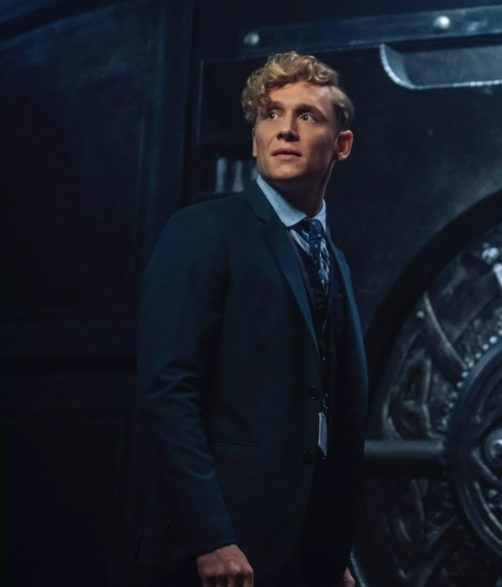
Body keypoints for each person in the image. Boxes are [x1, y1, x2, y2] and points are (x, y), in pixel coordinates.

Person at [134, 51, 367, 587]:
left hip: (304, 553)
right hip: (218, 552)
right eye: (270, 114)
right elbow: (168, 391)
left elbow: (330, 409)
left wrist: (332, 550)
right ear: (256, 136)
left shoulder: (331, 253)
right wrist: (210, 536)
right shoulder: (203, 231)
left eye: (306, 116)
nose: (285, 129)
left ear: (342, 145)